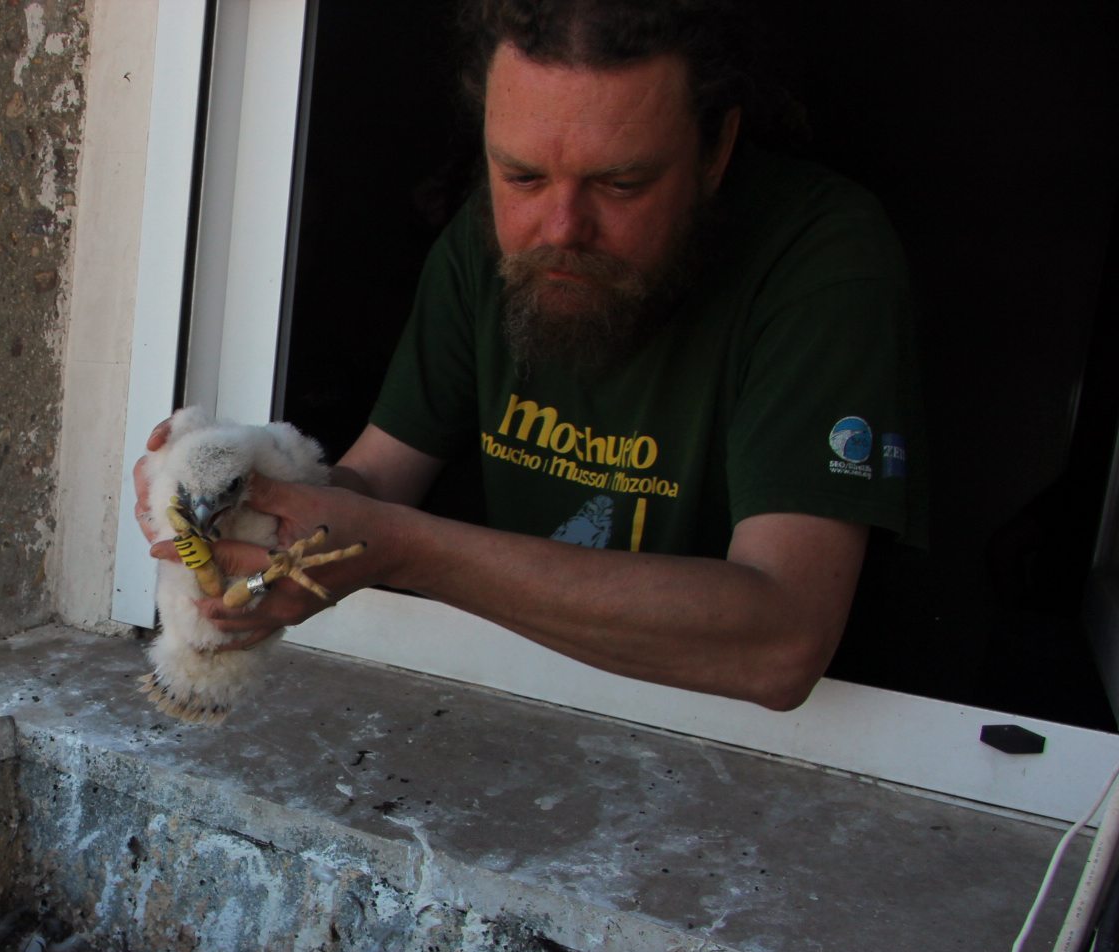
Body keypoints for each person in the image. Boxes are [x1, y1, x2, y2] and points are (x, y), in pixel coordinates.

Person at [134, 0, 924, 712]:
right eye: (521, 175)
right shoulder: (484, 241)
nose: (559, 229)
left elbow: (782, 643)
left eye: (620, 183)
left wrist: (405, 549)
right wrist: (246, 496)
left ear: (716, 152)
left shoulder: (822, 259)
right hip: (519, 703)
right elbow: (372, 482)